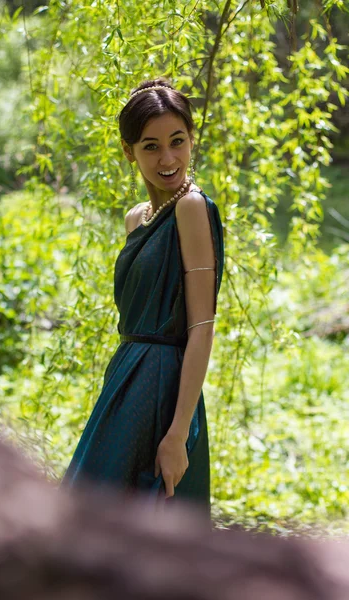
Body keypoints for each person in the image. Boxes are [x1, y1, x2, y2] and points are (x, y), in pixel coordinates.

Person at [61, 76, 224, 518]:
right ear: (128, 150)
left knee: (110, 514)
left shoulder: (192, 208)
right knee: (93, 508)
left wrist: (177, 433)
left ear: (192, 139)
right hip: (126, 375)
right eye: (150, 146)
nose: (168, 158)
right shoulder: (137, 218)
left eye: (178, 141)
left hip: (163, 387)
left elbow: (202, 326)